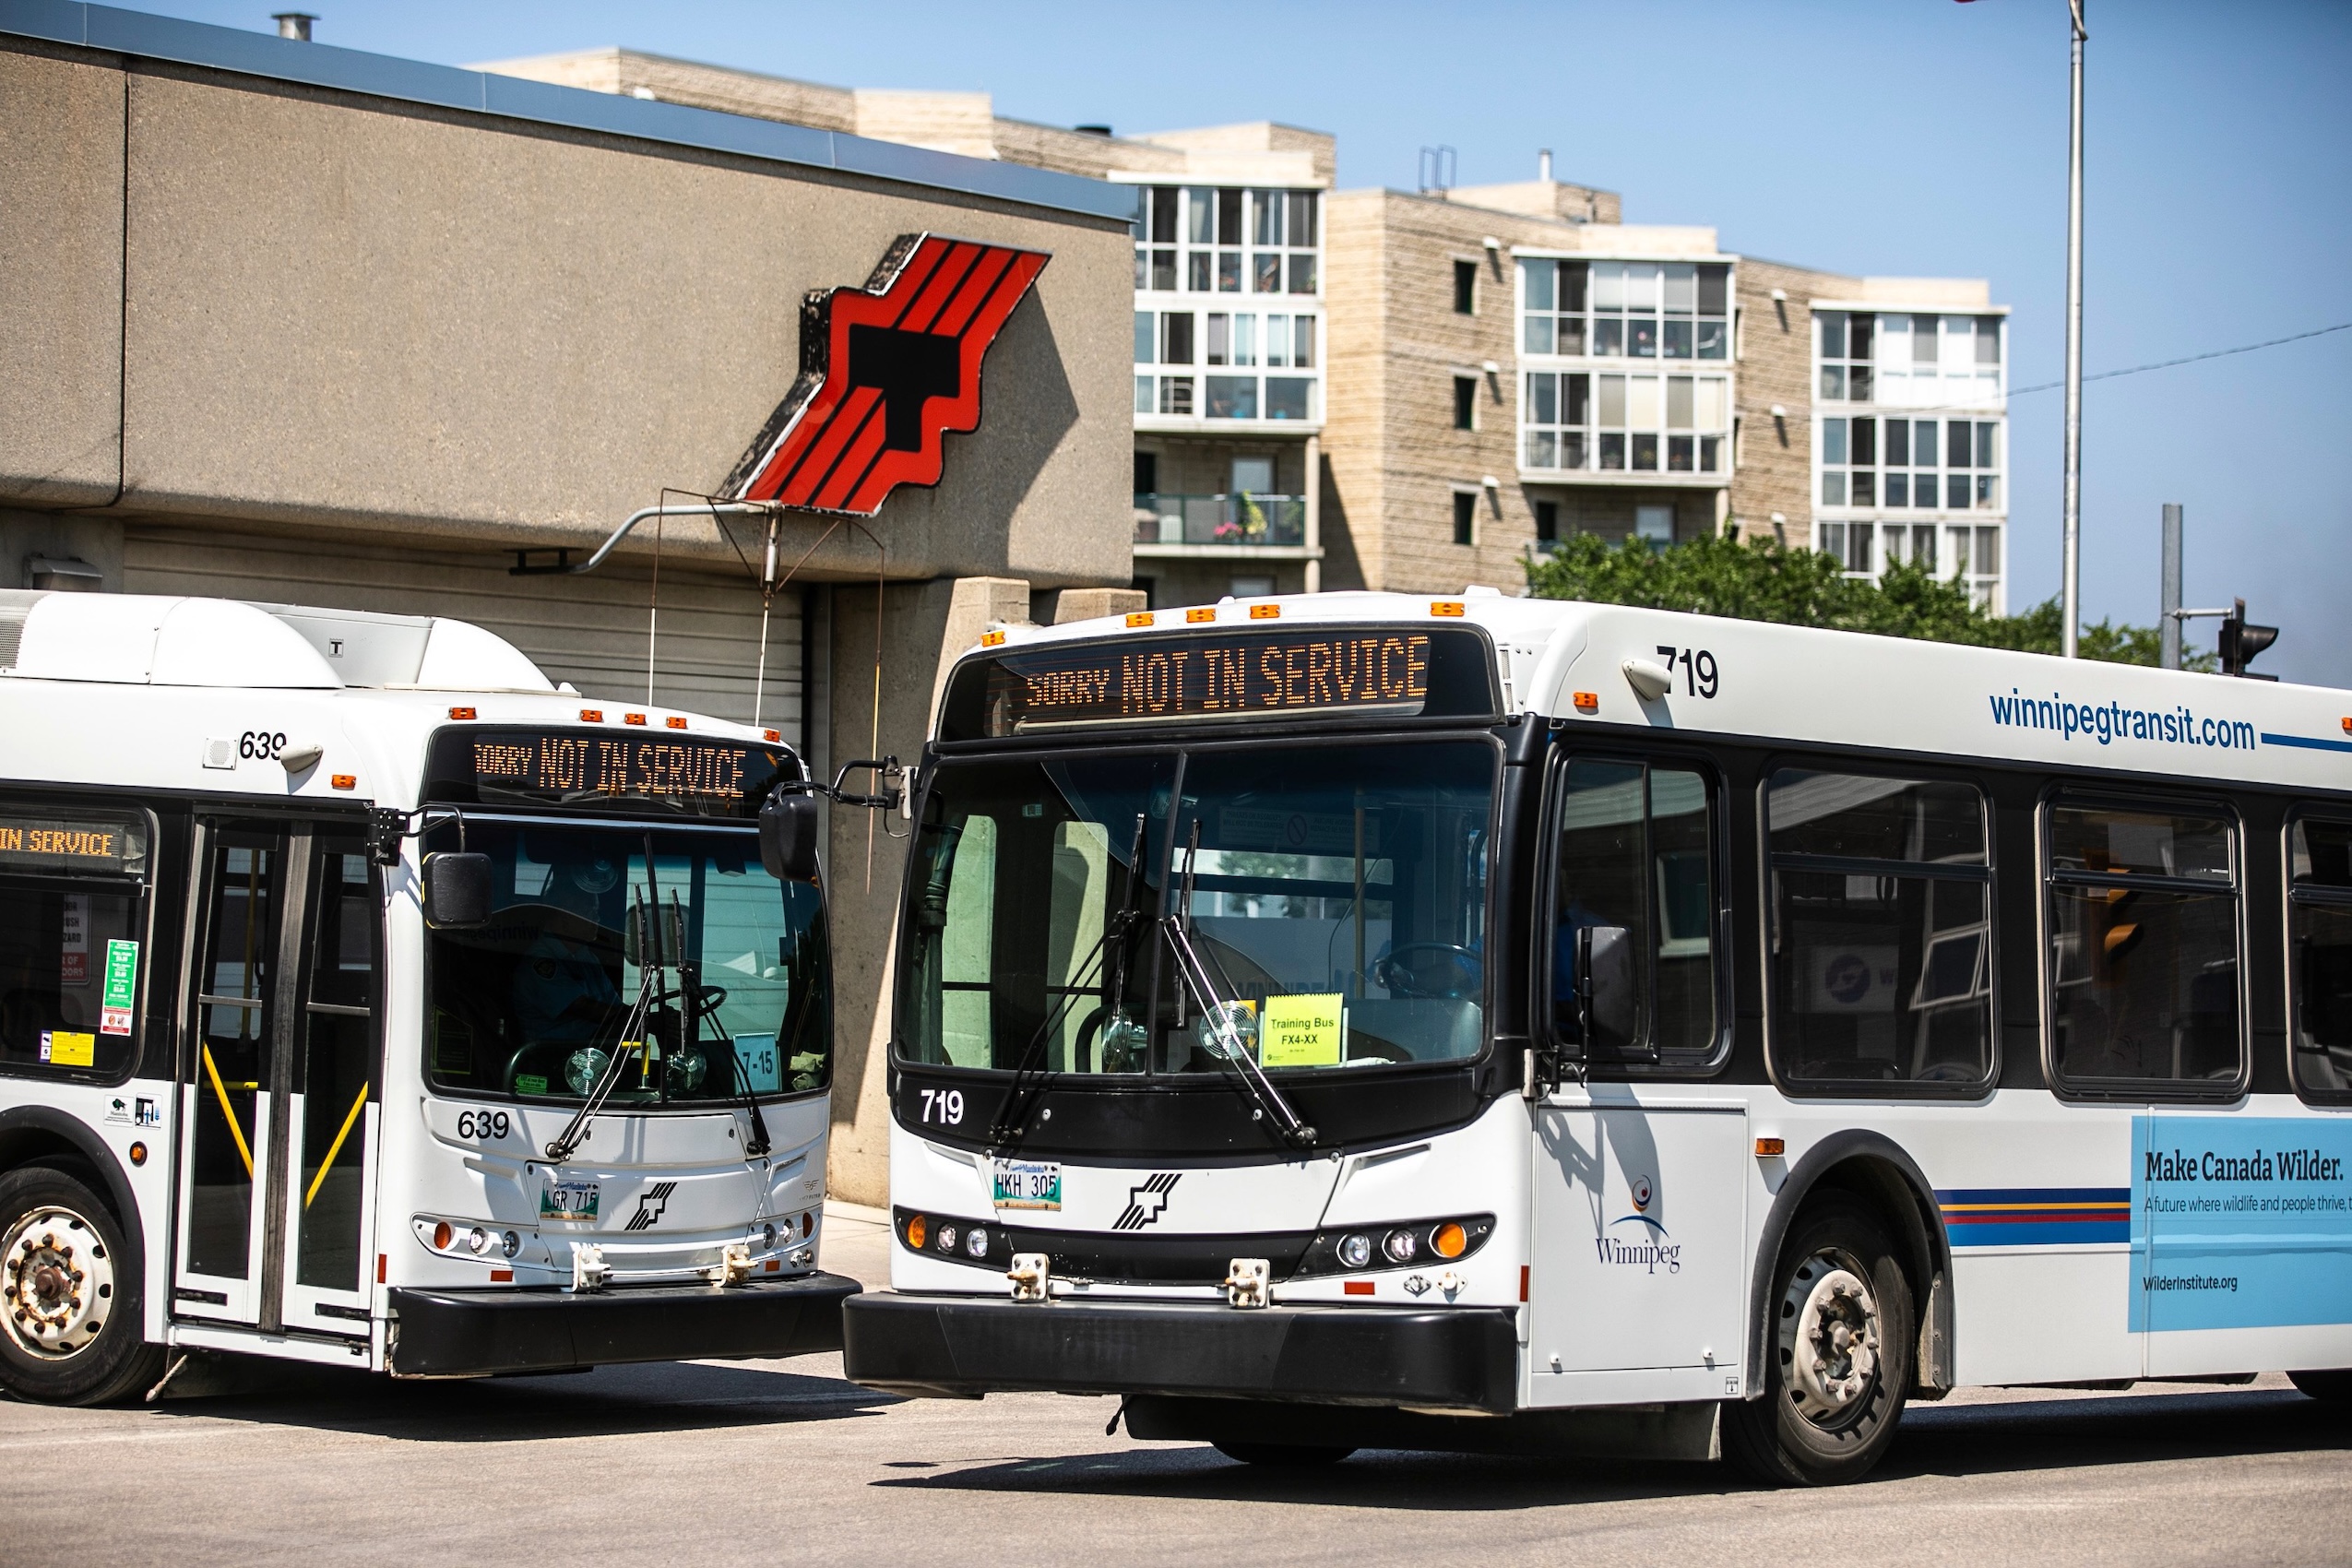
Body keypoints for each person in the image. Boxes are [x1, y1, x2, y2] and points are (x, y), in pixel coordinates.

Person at [513, 859, 623, 1043]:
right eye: (590, 912)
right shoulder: (540, 963)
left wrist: (648, 1014)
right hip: (549, 1060)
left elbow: (615, 1008)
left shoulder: (587, 958)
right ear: (564, 916)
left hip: (588, 1057)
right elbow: (587, 1009)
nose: (597, 919)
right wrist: (643, 1020)